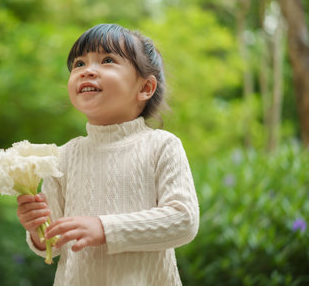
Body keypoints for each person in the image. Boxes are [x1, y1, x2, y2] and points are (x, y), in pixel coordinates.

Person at [16, 23, 199, 286]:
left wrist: (105, 228)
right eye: (79, 63)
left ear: (145, 88)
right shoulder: (62, 157)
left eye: (107, 60)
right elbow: (53, 244)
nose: (87, 70)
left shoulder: (162, 145)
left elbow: (184, 220)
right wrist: (36, 229)